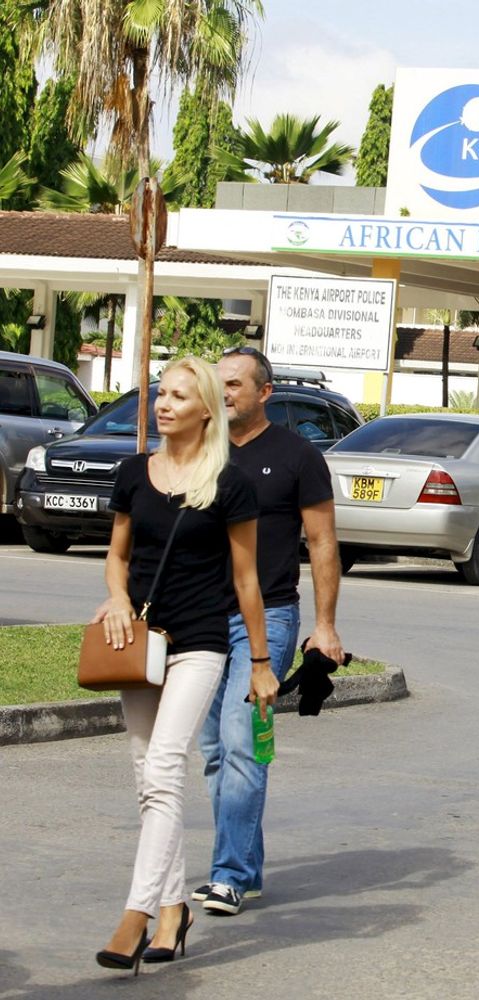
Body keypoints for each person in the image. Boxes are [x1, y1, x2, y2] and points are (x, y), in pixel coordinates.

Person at [91, 357, 271, 974]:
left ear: (205, 412)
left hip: (199, 641)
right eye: (160, 394)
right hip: (139, 642)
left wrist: (263, 662)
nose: (163, 405)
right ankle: (174, 908)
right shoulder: (133, 473)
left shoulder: (230, 482)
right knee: (149, 777)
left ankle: (135, 914)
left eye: (178, 397)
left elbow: (246, 581)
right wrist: (116, 598)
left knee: (166, 764)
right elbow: (117, 556)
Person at [193, 346, 343, 917]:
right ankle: (247, 867)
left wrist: (325, 625)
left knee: (240, 740)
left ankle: (227, 875)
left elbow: (324, 543)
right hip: (203, 620)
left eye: (234, 384)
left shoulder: (298, 457)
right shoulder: (200, 450)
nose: (224, 392)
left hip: (271, 620)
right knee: (213, 749)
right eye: (218, 383)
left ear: (264, 393)